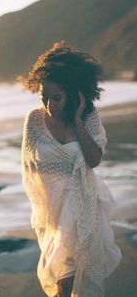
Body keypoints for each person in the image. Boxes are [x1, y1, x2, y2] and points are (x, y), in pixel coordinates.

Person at [20, 41, 122, 297]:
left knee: (75, 279)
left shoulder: (88, 117)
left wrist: (77, 121)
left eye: (56, 98)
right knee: (62, 282)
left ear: (73, 93)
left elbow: (94, 158)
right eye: (44, 97)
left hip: (84, 206)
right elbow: (30, 169)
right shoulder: (34, 120)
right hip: (54, 210)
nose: (49, 105)